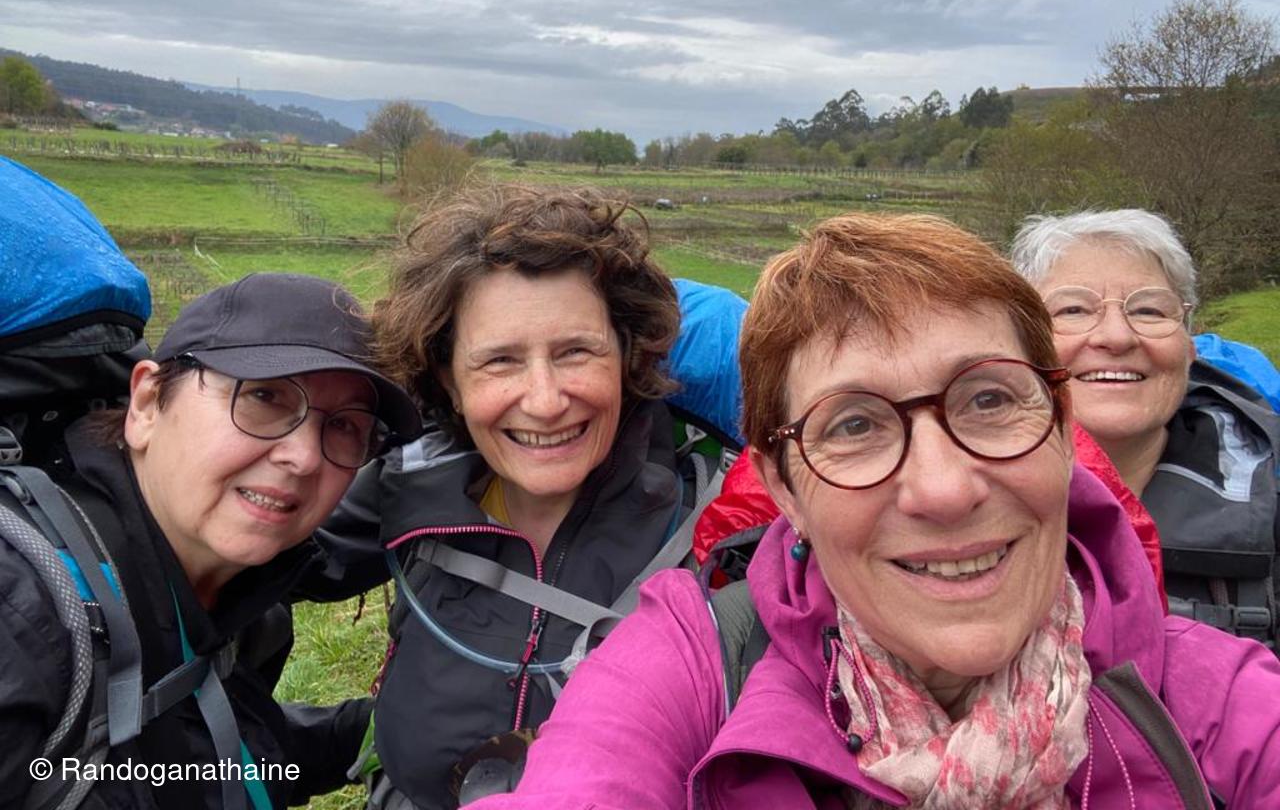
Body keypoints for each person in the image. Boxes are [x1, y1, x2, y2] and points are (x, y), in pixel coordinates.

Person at [468, 212, 1280, 809]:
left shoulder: (1223, 703)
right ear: (785, 488)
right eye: (853, 425)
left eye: (990, 399)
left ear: (1065, 432)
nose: (944, 489)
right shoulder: (694, 664)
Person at [304, 185, 705, 809]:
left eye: (576, 351)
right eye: (500, 361)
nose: (544, 401)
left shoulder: (709, 537)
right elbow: (262, 567)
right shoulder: (410, 482)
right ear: (449, 381)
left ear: (626, 357)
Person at [0, 272, 420, 810]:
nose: (304, 456)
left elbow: (196, 753)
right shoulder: (21, 612)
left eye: (345, 426)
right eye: (264, 396)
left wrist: (376, 729)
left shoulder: (236, 597)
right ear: (147, 402)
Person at [1011, 209, 1279, 648]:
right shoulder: (949, 499)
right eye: (1073, 309)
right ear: (1017, 345)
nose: (1117, 337)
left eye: (1149, 310)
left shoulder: (1272, 497)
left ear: (1189, 347)